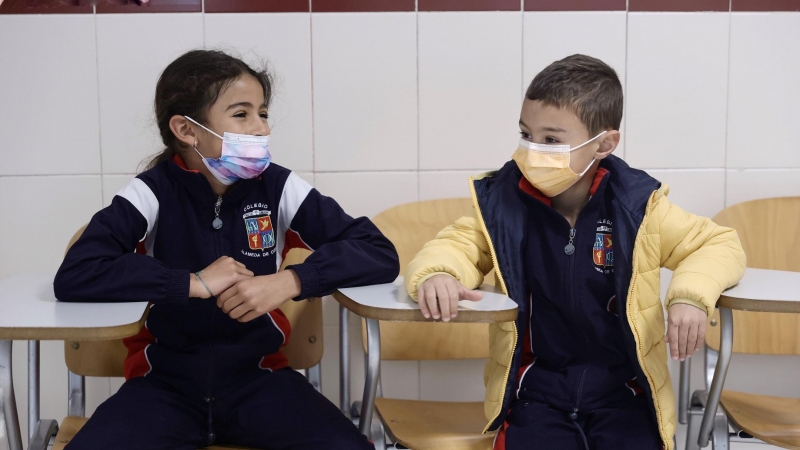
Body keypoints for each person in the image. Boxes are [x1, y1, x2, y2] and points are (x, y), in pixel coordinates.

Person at [54, 49, 399, 450]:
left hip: (261, 380)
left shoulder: (279, 186)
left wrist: (290, 281)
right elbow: (77, 273)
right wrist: (192, 283)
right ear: (187, 129)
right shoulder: (150, 192)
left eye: (263, 113)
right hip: (162, 386)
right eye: (241, 114)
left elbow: (376, 251)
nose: (260, 129)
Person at [404, 54, 745, 450]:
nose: (532, 151)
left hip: (625, 394)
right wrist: (438, 274)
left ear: (603, 143)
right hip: (534, 395)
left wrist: (690, 297)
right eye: (525, 134)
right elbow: (456, 245)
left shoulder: (637, 207)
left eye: (551, 140)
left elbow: (717, 243)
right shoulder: (502, 203)